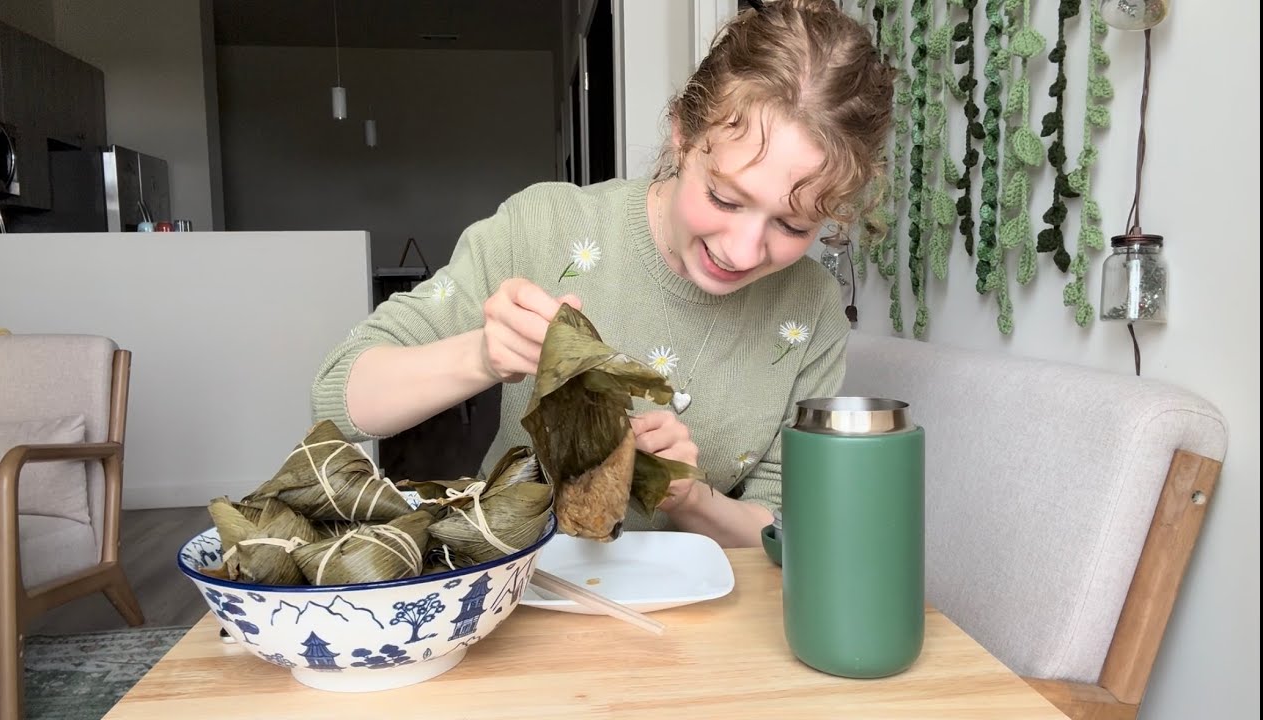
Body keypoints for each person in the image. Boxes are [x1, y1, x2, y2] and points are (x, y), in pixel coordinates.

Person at [311, 0, 895, 549]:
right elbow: (338, 395)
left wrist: (692, 497)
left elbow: (785, 529)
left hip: (694, 631)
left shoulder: (812, 310)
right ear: (682, 134)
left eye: (792, 227)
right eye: (724, 198)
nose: (743, 252)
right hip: (517, 597)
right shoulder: (541, 226)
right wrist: (483, 356)